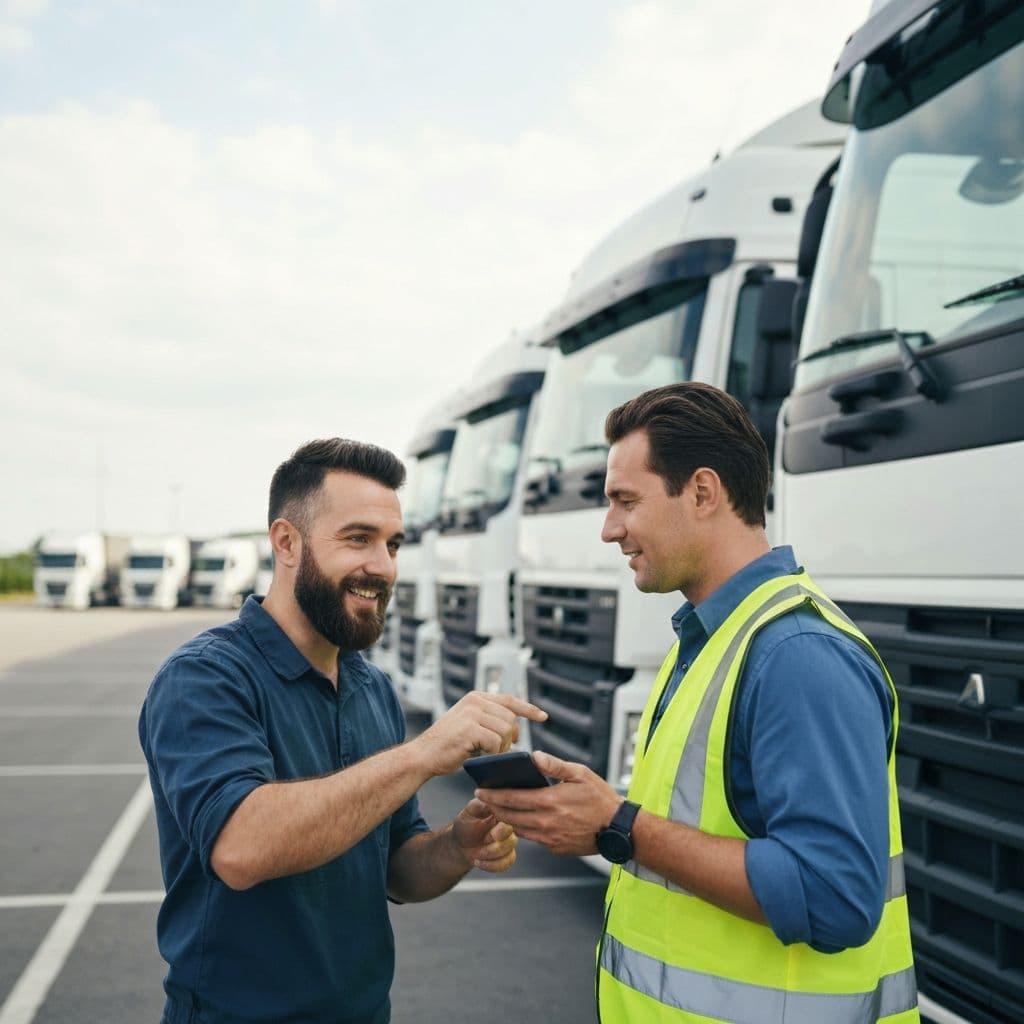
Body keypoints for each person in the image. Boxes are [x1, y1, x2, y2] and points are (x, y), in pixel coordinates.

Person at [478, 383, 919, 1023]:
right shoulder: (711, 637)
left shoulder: (798, 656)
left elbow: (834, 897)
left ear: (703, 493)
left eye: (627, 501)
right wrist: (598, 813)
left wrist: (619, 825)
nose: (609, 529)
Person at [139, 438, 546, 1024]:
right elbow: (241, 849)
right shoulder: (203, 678)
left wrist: (459, 844)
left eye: (393, 544)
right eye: (358, 539)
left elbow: (398, 869)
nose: (382, 566)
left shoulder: (371, 687)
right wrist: (424, 753)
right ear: (286, 542)